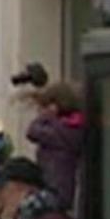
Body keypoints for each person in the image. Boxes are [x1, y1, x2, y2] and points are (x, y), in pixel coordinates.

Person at [25, 81, 83, 211]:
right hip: (58, 188)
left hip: (56, 190)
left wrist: (44, 117)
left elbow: (32, 132)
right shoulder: (71, 128)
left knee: (26, 209)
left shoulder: (60, 131)